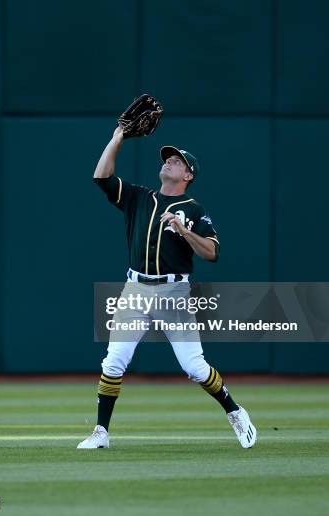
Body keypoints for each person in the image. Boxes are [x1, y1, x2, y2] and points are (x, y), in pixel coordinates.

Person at [77, 126, 256, 449]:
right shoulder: (139, 198)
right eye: (167, 159)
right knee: (114, 361)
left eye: (176, 161)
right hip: (135, 289)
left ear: (188, 174)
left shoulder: (194, 209)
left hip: (174, 294)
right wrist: (117, 137)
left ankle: (235, 411)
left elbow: (212, 253)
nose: (169, 162)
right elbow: (101, 178)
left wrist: (183, 230)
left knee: (195, 368)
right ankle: (101, 432)